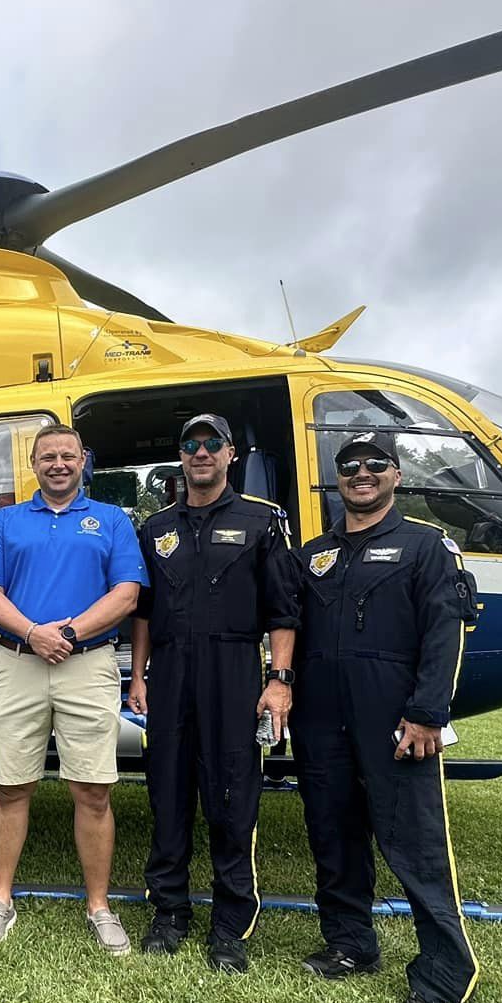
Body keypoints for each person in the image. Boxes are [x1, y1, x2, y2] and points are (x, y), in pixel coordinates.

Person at [290, 431, 482, 1003]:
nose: (362, 474)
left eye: (376, 465)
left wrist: (428, 713)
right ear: (337, 479)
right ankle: (351, 943)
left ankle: (444, 978)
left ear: (396, 475)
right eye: (350, 466)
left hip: (393, 713)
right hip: (321, 714)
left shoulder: (426, 546)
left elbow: (445, 631)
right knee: (333, 833)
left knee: (415, 843)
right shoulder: (314, 553)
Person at [126, 414, 301, 972]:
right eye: (190, 445)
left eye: (212, 445)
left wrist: (279, 680)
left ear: (230, 455)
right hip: (172, 672)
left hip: (234, 669)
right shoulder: (155, 529)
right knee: (168, 794)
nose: (201, 453)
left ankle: (230, 926)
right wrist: (138, 675)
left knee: (233, 798)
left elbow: (283, 610)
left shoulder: (263, 521)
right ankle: (169, 912)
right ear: (180, 457)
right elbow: (145, 613)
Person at [0, 424, 146, 954]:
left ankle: (99, 907)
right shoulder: (6, 521)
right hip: (17, 660)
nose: (58, 464)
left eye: (68, 455)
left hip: (86, 664)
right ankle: (0, 900)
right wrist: (32, 632)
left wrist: (66, 633)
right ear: (35, 462)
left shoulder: (112, 520)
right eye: (48, 457)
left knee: (93, 789)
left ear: (83, 460)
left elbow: (127, 594)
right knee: (10, 785)